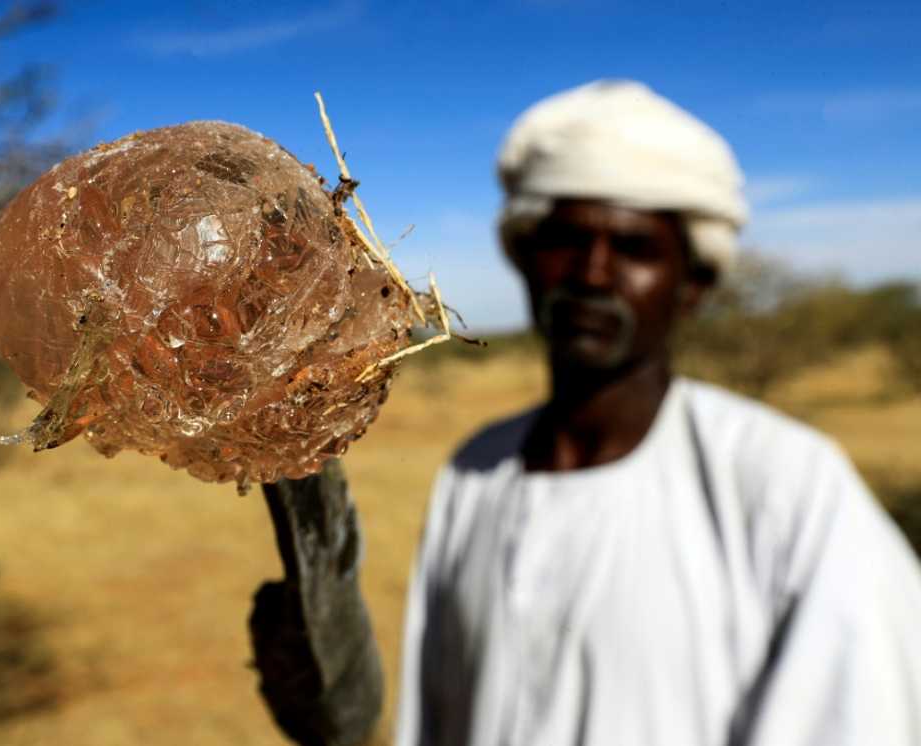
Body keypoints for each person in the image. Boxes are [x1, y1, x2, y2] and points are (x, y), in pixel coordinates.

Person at [394, 80, 921, 746]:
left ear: (693, 284)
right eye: (565, 241)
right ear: (525, 258)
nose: (592, 272)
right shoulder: (473, 474)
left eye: (635, 248)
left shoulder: (790, 487)